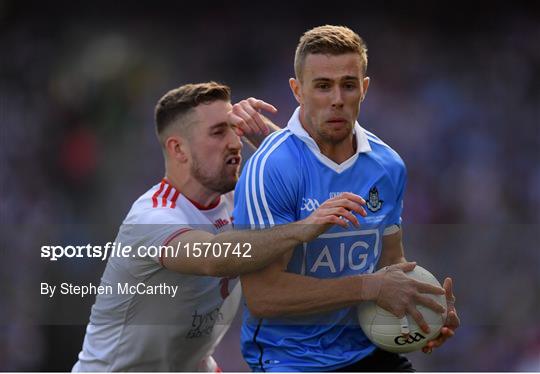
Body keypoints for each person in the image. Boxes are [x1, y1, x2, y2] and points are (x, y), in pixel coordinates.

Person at [72, 82, 368, 371]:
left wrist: (265, 134)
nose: (234, 142)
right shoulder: (152, 216)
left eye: (235, 129)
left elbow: (319, 180)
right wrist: (300, 229)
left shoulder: (238, 198)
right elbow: (215, 258)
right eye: (218, 132)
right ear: (178, 150)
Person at [233, 25, 460, 371]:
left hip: (369, 352)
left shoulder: (388, 165)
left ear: (364, 89)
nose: (337, 98)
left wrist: (423, 311)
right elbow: (263, 295)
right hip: (292, 360)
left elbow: (390, 264)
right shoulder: (270, 167)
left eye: (348, 85)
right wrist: (368, 286)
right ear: (298, 91)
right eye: (323, 86)